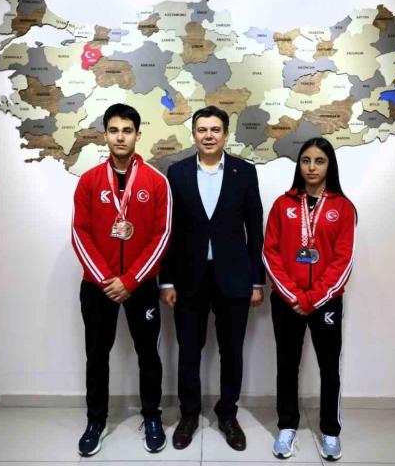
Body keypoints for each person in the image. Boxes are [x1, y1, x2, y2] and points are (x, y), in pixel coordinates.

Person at [159, 105, 264, 451]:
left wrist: (257, 281)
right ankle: (189, 415)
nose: (208, 135)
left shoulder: (244, 172)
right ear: (193, 135)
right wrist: (166, 281)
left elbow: (255, 229)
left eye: (215, 129)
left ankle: (227, 415)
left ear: (225, 134)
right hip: (188, 278)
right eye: (202, 129)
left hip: (234, 278)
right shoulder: (177, 173)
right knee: (189, 351)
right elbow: (169, 231)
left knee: (231, 351)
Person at [71, 103, 173, 456]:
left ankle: (152, 417)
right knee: (97, 356)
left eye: (127, 131)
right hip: (97, 286)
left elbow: (162, 236)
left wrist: (130, 279)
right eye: (114, 130)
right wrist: (105, 278)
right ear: (105, 135)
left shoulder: (156, 182)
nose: (120, 137)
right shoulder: (88, 181)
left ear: (137, 135)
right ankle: (96, 421)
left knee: (149, 355)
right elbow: (80, 232)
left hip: (139, 286)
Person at [262, 137, 356, 461]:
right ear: (299, 165)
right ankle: (287, 426)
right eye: (306, 161)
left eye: (319, 161)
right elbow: (270, 253)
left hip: (325, 303)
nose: (312, 167)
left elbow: (343, 260)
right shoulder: (283, 205)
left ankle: (330, 431)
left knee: (329, 368)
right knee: (287, 366)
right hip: (287, 301)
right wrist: (293, 295)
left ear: (330, 165)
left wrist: (313, 298)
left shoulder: (343, 208)